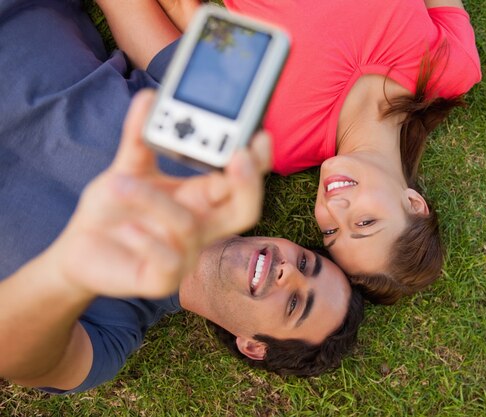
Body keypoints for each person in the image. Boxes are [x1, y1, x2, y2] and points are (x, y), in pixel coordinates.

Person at [0, 1, 363, 393]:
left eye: (294, 304)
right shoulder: (227, 148)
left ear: (253, 346)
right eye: (307, 263)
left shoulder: (109, 336)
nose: (288, 271)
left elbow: (14, 355)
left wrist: (68, 273)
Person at [155, 0, 482, 304]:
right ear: (413, 204)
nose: (335, 207)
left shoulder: (280, 141)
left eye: (331, 231)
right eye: (365, 222)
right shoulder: (451, 70)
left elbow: (193, 19)